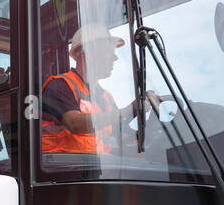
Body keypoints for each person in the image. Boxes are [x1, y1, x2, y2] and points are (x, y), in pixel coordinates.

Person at [40, 23, 158, 155]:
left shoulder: (105, 97)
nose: (115, 58)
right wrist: (127, 110)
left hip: (97, 168)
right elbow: (74, 123)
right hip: (61, 168)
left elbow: (119, 133)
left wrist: (145, 118)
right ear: (85, 52)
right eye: (108, 51)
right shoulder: (60, 85)